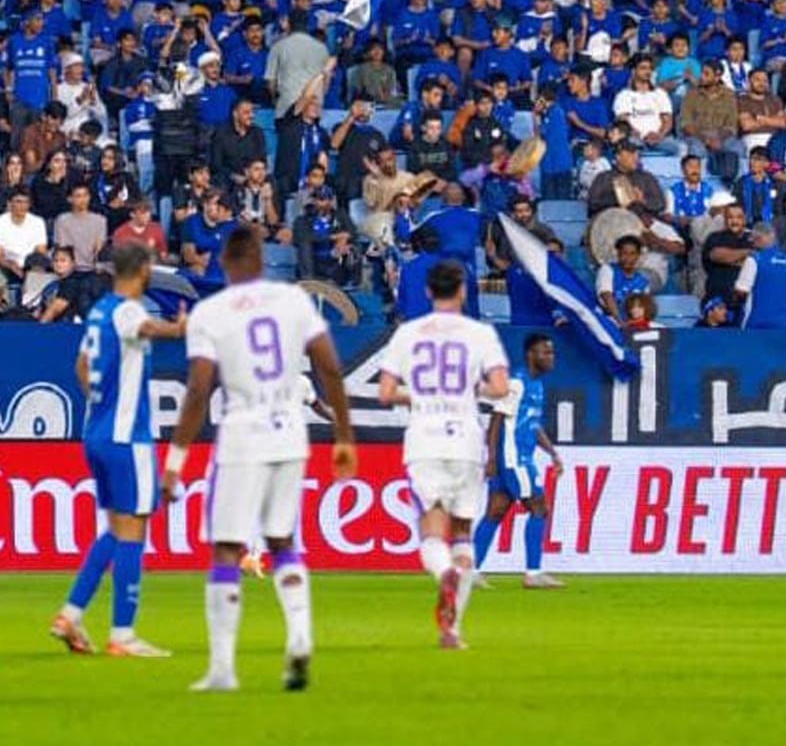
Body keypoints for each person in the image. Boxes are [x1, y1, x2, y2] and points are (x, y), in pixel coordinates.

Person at [165, 228, 357, 693]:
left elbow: (198, 388)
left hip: (242, 436)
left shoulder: (212, 312)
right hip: (290, 434)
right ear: (261, 261)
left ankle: (222, 668)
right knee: (282, 539)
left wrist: (175, 458)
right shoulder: (293, 301)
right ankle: (299, 637)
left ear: (227, 265)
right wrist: (344, 434)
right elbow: (328, 366)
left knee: (228, 549)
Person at [50, 244, 189, 658]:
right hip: (127, 437)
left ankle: (70, 615)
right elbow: (146, 328)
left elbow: (80, 364)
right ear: (143, 270)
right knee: (135, 528)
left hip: (95, 433)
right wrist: (177, 331)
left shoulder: (98, 311)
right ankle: (123, 635)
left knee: (114, 527)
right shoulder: (128, 309)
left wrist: (99, 399)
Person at [376, 258, 511, 650]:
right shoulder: (480, 333)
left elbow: (385, 393)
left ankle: (444, 574)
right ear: (464, 291)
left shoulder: (408, 334)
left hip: (425, 440)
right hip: (467, 440)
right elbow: (500, 387)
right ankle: (451, 629)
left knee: (432, 531)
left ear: (428, 292)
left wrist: (420, 394)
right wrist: (466, 390)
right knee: (463, 532)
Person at [471, 333, 565, 590]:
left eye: (551, 352)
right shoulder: (516, 384)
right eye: (544, 352)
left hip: (516, 457)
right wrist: (491, 458)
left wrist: (552, 453)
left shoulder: (537, 385)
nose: (550, 357)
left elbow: (533, 426)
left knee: (496, 510)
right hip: (514, 459)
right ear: (530, 355)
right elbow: (496, 420)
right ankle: (533, 573)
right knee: (539, 508)